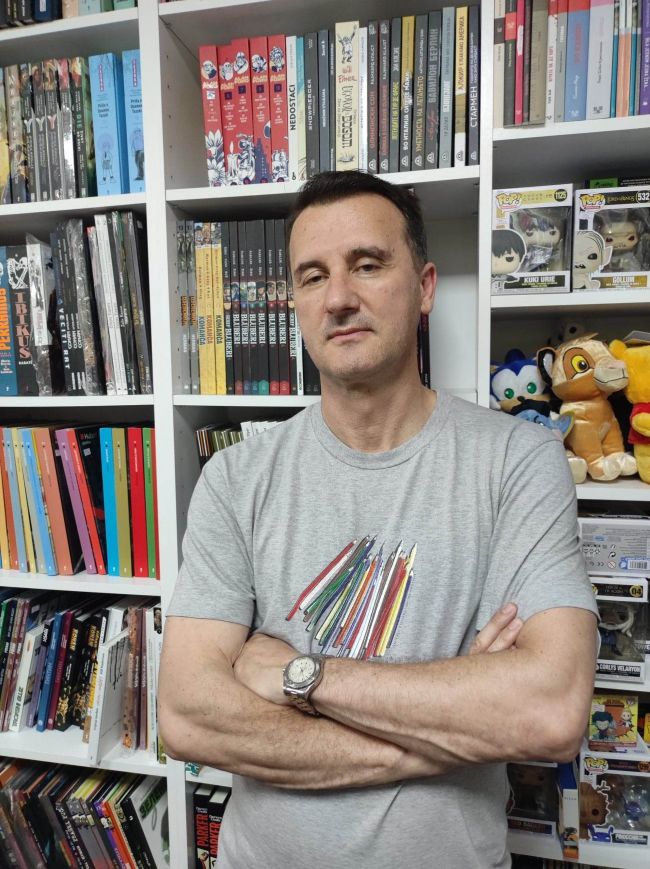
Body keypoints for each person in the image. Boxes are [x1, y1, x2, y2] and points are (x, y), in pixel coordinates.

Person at [159, 171, 599, 868]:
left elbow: (548, 711)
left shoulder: (519, 462)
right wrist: (451, 728)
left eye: (367, 264)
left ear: (424, 288)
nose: (338, 297)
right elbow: (187, 715)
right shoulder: (234, 478)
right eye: (313, 276)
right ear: (296, 303)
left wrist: (301, 674)